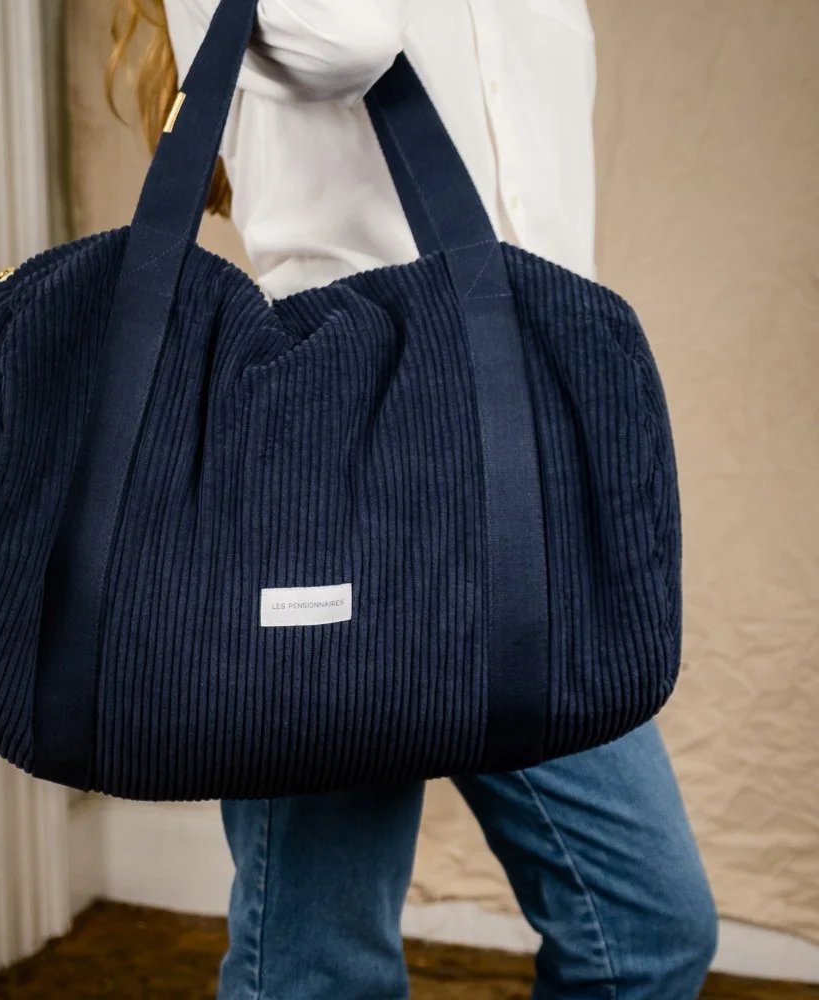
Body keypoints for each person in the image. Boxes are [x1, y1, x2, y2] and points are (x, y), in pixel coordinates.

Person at [110, 2, 719, 997]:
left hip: (519, 458)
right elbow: (348, 42)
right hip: (325, 470)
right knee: (320, 963)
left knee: (648, 928)